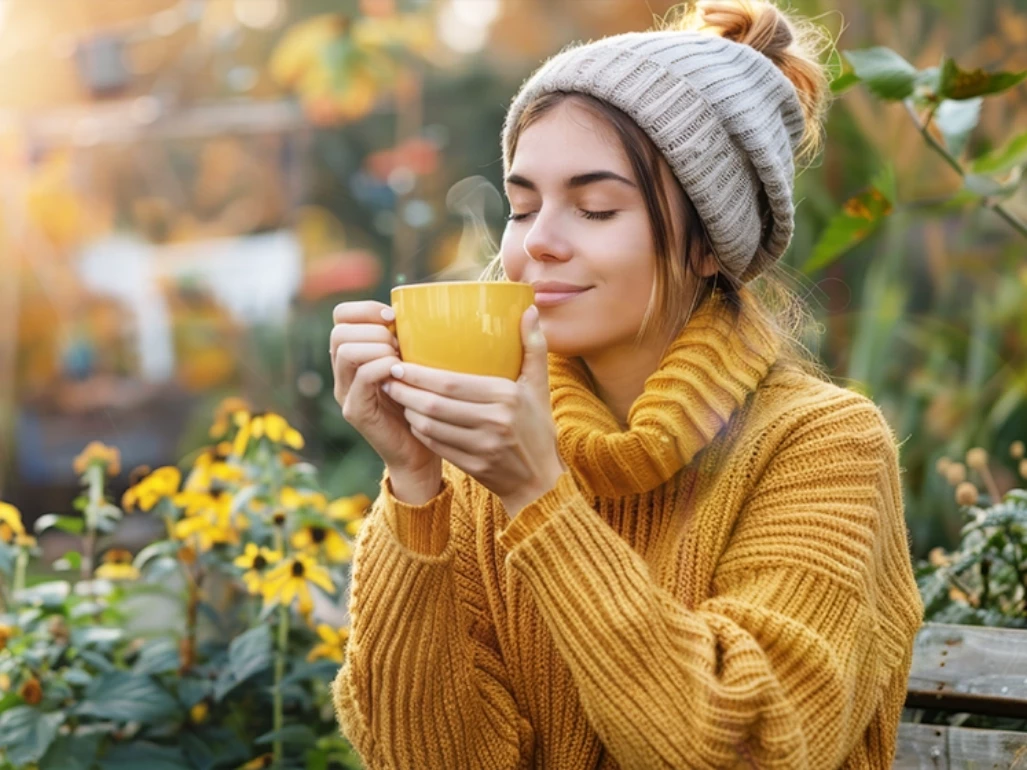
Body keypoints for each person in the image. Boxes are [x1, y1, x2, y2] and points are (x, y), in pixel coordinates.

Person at [329, 1, 923, 767]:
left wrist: (541, 498)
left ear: (711, 244)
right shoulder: (483, 461)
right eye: (521, 207)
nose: (537, 242)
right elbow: (424, 755)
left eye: (595, 208)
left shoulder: (822, 445)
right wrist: (413, 481)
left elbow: (744, 746)